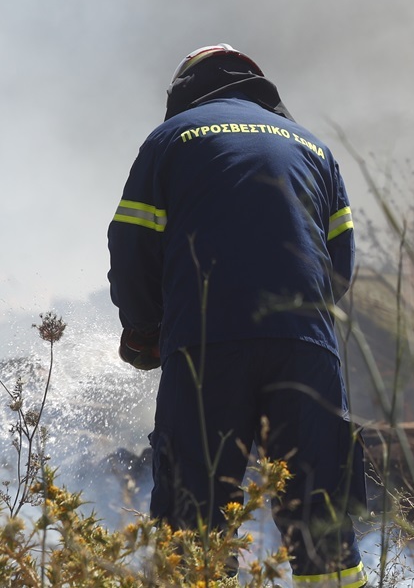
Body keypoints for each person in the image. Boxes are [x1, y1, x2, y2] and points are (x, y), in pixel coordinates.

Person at [108, 44, 367, 586]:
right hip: (307, 348)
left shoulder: (171, 139)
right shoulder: (315, 148)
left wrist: (144, 329)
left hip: (207, 343)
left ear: (185, 90)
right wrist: (298, 325)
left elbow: (132, 246)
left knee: (195, 515)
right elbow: (340, 266)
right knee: (321, 516)